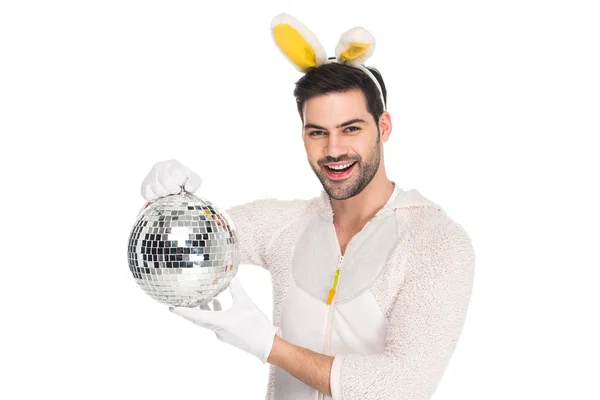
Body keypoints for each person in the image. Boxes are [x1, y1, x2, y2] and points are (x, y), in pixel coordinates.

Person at [139, 13, 475, 400]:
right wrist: (169, 202)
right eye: (317, 132)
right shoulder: (284, 223)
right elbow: (179, 251)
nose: (333, 151)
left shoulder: (438, 242)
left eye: (351, 129)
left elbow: (400, 387)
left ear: (383, 127)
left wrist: (269, 346)